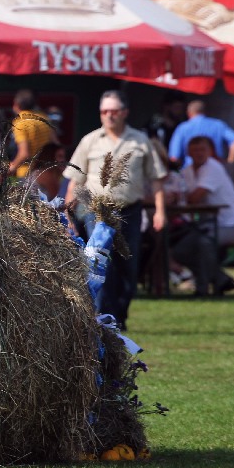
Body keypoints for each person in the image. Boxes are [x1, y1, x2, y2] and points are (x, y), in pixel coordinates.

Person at [64, 90, 166, 329]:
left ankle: (120, 314)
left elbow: (157, 178)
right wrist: (67, 213)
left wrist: (160, 211)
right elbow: (75, 181)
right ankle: (104, 318)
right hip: (97, 212)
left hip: (130, 210)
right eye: (104, 111)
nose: (109, 115)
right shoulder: (90, 140)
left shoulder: (140, 140)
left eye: (114, 111)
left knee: (128, 266)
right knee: (100, 263)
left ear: (125, 113)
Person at [181, 136, 234, 246]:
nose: (199, 153)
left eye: (203, 150)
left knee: (203, 241)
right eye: (195, 150)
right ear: (188, 153)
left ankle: (209, 264)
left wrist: (179, 197)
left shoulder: (213, 167)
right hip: (209, 224)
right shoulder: (186, 172)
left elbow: (194, 198)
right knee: (181, 241)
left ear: (210, 152)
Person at [168, 99, 234, 167]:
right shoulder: (218, 125)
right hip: (214, 170)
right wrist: (230, 163)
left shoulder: (182, 128)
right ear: (204, 112)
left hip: (191, 171)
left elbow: (174, 157)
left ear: (189, 113)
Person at [8, 89, 58, 178]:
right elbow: (56, 145)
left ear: (16, 104)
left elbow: (24, 154)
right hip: (46, 173)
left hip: (27, 174)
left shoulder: (21, 122)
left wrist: (12, 167)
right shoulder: (44, 118)